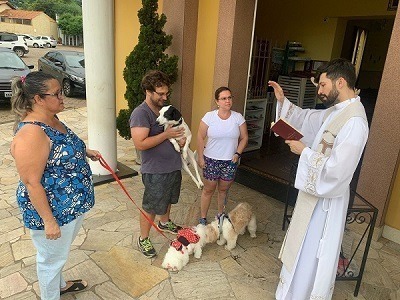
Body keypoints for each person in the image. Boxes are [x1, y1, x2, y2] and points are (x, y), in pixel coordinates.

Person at [269, 58, 369, 300]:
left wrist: (304, 152)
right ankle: (290, 292)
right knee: (302, 247)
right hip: (313, 197)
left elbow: (338, 171)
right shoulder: (337, 112)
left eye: (323, 85)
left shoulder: (355, 122)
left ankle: (302, 294)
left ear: (341, 82)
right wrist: (283, 102)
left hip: (326, 202)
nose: (320, 91)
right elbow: (307, 118)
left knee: (312, 251)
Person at [10, 71, 101, 299]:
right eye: (57, 93)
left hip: (70, 206)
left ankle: (59, 285)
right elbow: (31, 183)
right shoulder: (31, 133)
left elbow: (59, 148)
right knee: (50, 260)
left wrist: (84, 151)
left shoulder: (52, 118)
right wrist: (49, 222)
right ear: (38, 99)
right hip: (54, 211)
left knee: (59, 254)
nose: (63, 97)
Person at [129, 70, 185, 258]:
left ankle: (164, 222)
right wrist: (166, 135)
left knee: (169, 198)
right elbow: (140, 143)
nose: (165, 97)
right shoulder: (141, 113)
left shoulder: (164, 110)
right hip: (155, 170)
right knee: (151, 206)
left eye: (166, 93)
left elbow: (177, 132)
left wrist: (180, 141)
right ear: (148, 91)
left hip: (173, 165)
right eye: (160, 93)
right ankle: (144, 238)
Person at [197, 87, 248, 225]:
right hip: (211, 160)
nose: (227, 101)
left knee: (223, 190)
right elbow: (200, 137)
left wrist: (238, 153)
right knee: (208, 189)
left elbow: (244, 138)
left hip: (230, 161)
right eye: (224, 98)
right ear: (217, 101)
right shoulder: (209, 117)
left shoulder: (238, 118)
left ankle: (220, 215)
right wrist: (201, 157)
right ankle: (202, 218)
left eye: (229, 97)